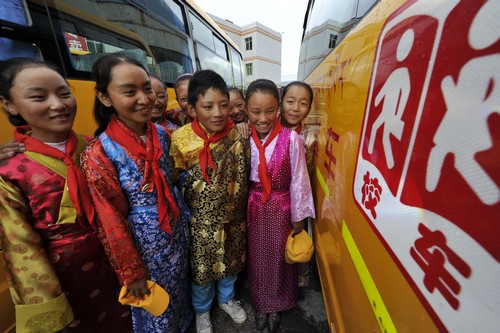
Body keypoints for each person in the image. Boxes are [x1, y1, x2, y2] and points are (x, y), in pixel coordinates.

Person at [0, 57, 132, 332]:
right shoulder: (10, 170)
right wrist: (47, 306)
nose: (57, 105)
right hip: (65, 280)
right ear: (9, 104)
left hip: (116, 265)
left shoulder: (94, 146)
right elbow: (21, 248)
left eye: (63, 93)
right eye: (38, 97)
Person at [80, 54, 192, 333]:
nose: (144, 99)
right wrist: (132, 273)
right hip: (145, 251)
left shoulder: (162, 134)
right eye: (130, 92)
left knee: (180, 296)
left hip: (176, 234)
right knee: (155, 308)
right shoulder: (99, 153)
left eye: (147, 89)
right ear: (104, 97)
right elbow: (110, 220)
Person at [169, 69, 250, 333]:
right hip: (200, 222)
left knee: (230, 262)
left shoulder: (237, 135)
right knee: (202, 270)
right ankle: (202, 311)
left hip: (233, 216)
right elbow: (176, 178)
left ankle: (227, 299)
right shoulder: (181, 138)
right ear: (192, 109)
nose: (218, 113)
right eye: (208, 106)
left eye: (223, 105)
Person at [245, 79, 315, 333]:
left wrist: (298, 216)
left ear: (278, 110)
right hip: (253, 205)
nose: (263, 118)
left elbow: (299, 178)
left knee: (280, 257)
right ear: (245, 110)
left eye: (269, 111)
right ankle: (261, 304)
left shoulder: (291, 139)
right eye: (255, 112)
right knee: (257, 257)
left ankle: (277, 305)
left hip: (282, 206)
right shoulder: (243, 137)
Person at [279, 80, 316, 287]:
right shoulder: (265, 127)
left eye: (303, 103)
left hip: (296, 200)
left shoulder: (309, 137)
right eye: (290, 101)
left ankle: (293, 281)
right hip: (270, 200)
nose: (295, 108)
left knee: (295, 241)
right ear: (281, 102)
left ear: (310, 108)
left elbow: (305, 178)